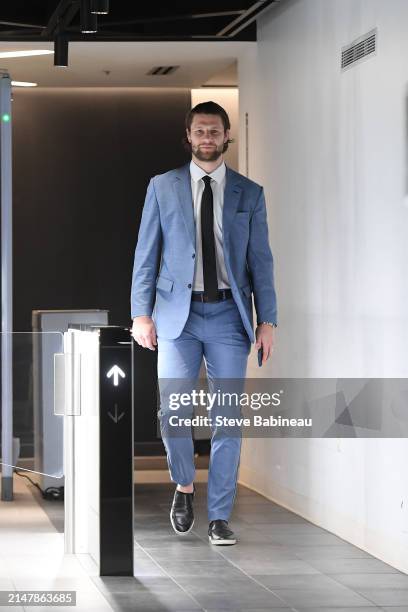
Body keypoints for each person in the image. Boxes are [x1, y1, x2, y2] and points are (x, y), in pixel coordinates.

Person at [130, 101, 277, 546]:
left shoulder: (249, 193)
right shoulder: (163, 186)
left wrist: (266, 320)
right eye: (200, 131)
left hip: (231, 317)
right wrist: (141, 313)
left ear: (227, 135)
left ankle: (219, 516)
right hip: (178, 315)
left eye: (215, 131)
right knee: (174, 412)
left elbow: (261, 261)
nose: (207, 138)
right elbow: (146, 254)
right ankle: (184, 485)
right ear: (189, 136)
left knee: (227, 418)